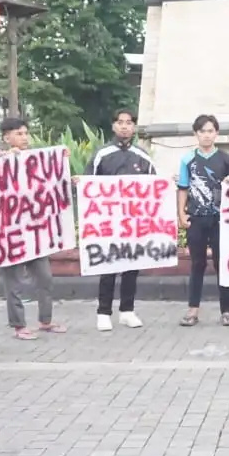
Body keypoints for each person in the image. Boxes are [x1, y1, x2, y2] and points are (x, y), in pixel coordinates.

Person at [88, 108, 157, 331]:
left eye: (129, 122)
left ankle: (127, 310)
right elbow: (88, 186)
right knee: (108, 266)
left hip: (134, 223)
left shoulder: (143, 157)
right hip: (108, 223)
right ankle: (103, 312)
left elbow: (154, 189)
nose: (125, 126)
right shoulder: (102, 154)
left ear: (134, 127)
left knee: (132, 267)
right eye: (120, 122)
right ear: (113, 126)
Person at [0, 117, 61, 339]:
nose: (24, 138)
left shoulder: (37, 160)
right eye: (19, 134)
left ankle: (46, 320)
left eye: (26, 133)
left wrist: (60, 165)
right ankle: (18, 325)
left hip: (35, 231)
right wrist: (2, 160)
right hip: (10, 232)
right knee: (14, 281)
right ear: (7, 137)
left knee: (45, 277)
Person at [177, 115, 229, 326]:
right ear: (196, 134)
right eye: (202, 131)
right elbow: (183, 188)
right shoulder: (187, 160)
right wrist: (181, 214)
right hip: (196, 218)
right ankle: (193, 309)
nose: (206, 135)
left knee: (222, 263)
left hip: (220, 219)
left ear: (217, 133)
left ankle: (227, 310)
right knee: (197, 264)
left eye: (210, 131)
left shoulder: (226, 159)